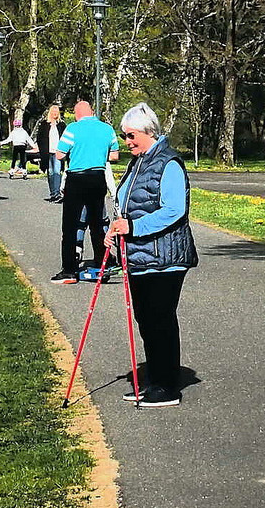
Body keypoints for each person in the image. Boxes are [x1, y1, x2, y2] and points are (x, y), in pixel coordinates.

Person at [107, 103, 197, 408]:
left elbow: (174, 210)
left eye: (131, 135)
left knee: (160, 320)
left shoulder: (169, 163)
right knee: (146, 321)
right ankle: (155, 379)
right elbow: (126, 205)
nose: (127, 142)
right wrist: (114, 230)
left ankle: (167, 386)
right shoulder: (138, 163)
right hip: (139, 258)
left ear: (148, 132)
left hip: (166, 257)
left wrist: (132, 227)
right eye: (124, 136)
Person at [52, 99, 117, 283]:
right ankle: (101, 264)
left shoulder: (72, 128)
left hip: (77, 178)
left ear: (77, 114)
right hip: (98, 177)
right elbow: (114, 155)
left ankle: (69, 270)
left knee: (71, 225)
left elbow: (59, 154)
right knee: (97, 224)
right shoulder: (107, 129)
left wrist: (77, 153)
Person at [38, 103, 65, 202]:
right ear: (50, 113)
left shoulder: (61, 125)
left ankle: (57, 193)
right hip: (47, 152)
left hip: (58, 152)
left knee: (57, 172)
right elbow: (39, 138)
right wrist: (41, 150)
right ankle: (53, 193)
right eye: (53, 112)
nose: (55, 114)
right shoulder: (44, 124)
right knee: (50, 172)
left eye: (56, 112)